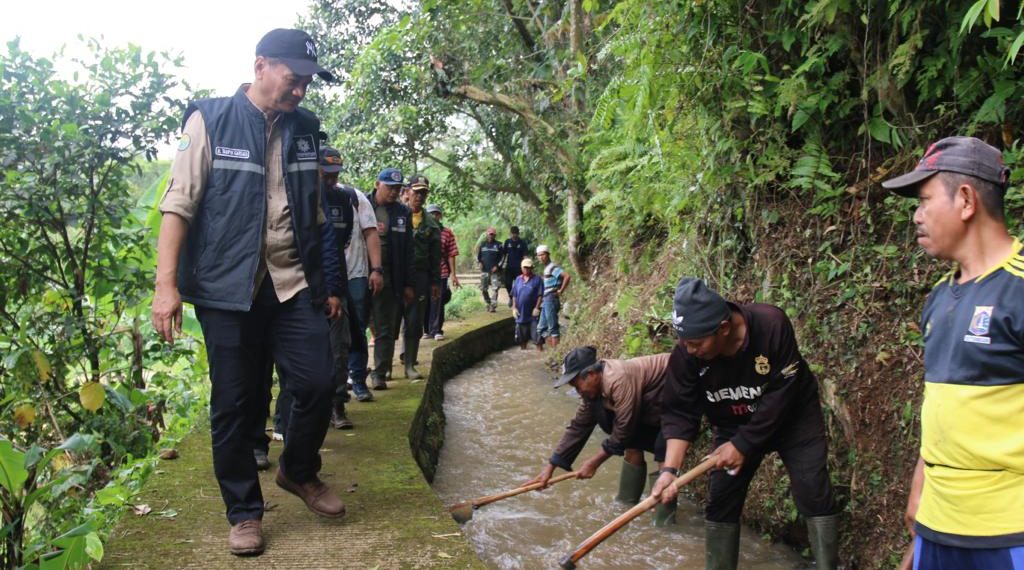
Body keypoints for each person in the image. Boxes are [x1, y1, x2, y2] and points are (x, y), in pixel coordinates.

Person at [151, 29, 345, 556]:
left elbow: (316, 216)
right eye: (292, 78)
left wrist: (326, 285)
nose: (300, 91)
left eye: (307, 82)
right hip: (227, 289)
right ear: (261, 66)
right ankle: (244, 512)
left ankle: (299, 471)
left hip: (291, 283)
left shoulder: (306, 130)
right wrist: (165, 286)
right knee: (235, 404)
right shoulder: (210, 119)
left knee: (319, 383)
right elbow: (179, 205)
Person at [881, 136, 1023, 570]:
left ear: (965, 200)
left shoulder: (1018, 289)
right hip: (939, 527)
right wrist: (919, 492)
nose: (916, 216)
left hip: (1008, 532)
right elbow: (942, 404)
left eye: (924, 201)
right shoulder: (939, 298)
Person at [651, 277, 839, 570]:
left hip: (793, 418)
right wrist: (669, 471)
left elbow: (782, 393)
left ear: (723, 328)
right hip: (732, 425)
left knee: (812, 489)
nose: (690, 350)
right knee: (722, 499)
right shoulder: (686, 357)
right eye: (685, 342)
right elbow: (680, 413)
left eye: (697, 343)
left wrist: (744, 444)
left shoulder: (771, 325)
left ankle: (827, 565)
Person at [527, 347, 676, 525]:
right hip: (651, 404)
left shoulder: (619, 378)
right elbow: (578, 427)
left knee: (663, 448)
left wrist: (595, 462)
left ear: (590, 374)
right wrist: (550, 468)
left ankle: (663, 522)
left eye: (576, 385)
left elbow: (624, 427)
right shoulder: (593, 392)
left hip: (675, 397)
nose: (577, 391)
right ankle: (626, 505)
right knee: (632, 443)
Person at [322, 148, 383, 403]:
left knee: (356, 329)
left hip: (355, 273)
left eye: (334, 175)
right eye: (325, 174)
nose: (330, 180)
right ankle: (330, 388)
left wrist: (376, 269)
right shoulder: (307, 197)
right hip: (324, 278)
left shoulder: (353, 198)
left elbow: (371, 233)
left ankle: (357, 379)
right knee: (327, 334)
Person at [367, 167, 415, 390]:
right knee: (358, 324)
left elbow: (408, 251)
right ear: (378, 184)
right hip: (361, 272)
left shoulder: (402, 213)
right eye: (390, 187)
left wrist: (407, 283)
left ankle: (380, 372)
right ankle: (353, 374)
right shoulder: (361, 204)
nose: (394, 192)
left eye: (398, 188)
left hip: (389, 277)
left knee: (385, 327)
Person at [401, 178, 441, 380]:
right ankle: (382, 370)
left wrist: (435, 282)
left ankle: (409, 364)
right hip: (395, 274)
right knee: (388, 322)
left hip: (420, 276)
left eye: (423, 193)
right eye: (416, 192)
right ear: (407, 192)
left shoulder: (432, 225)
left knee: (415, 321)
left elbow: (436, 256)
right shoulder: (396, 214)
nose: (419, 197)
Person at [424, 204, 460, 340]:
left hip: (441, 272)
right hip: (424, 272)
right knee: (425, 301)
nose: (434, 216)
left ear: (440, 216)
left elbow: (451, 254)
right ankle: (426, 329)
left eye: (436, 214)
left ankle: (437, 329)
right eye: (431, 213)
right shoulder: (422, 231)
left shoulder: (447, 232)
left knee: (437, 301)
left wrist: (453, 275)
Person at [535, 245, 570, 347]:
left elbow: (567, 276)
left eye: (543, 254)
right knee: (541, 328)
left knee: (552, 328)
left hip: (551, 299)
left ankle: (556, 354)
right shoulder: (547, 268)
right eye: (539, 255)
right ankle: (555, 349)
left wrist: (560, 291)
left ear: (548, 255)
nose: (541, 257)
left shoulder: (552, 267)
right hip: (546, 300)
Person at [509, 257, 543, 349]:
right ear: (521, 268)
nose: (527, 269)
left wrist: (537, 308)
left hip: (533, 315)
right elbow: (514, 295)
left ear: (532, 268)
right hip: (521, 314)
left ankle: (540, 354)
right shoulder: (518, 279)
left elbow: (540, 295)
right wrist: (514, 308)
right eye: (525, 267)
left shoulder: (537, 279)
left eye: (529, 267)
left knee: (538, 339)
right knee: (521, 339)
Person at [501, 226, 529, 307]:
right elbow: (504, 254)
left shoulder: (522, 242)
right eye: (513, 234)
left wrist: (525, 267)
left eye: (515, 234)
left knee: (519, 285)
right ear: (510, 234)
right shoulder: (507, 242)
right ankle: (511, 297)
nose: (514, 235)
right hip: (509, 267)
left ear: (518, 234)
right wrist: (501, 265)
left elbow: (525, 255)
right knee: (507, 283)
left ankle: (517, 300)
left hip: (519, 268)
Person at [477, 227, 503, 312]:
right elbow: (479, 257)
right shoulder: (482, 244)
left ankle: (493, 306)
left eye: (492, 234)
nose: (491, 235)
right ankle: (488, 303)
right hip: (484, 271)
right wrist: (480, 263)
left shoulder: (499, 245)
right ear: (487, 234)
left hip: (495, 271)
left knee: (495, 289)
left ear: (495, 235)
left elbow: (503, 258)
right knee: (483, 289)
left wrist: (497, 266)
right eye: (489, 234)